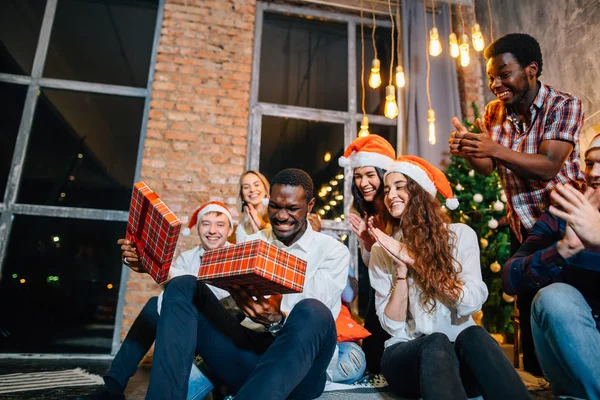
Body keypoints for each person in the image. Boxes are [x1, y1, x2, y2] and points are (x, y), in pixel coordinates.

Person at [144, 168, 349, 399]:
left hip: (301, 370)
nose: (281, 216)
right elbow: (214, 298)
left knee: (314, 311)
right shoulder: (250, 244)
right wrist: (155, 264)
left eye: (292, 208)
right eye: (275, 206)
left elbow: (310, 327)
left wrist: (277, 320)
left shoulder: (333, 251)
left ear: (310, 206)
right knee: (184, 285)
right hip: (248, 357)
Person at [449, 33, 585, 374]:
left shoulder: (563, 105)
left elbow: (549, 165)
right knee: (527, 312)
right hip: (521, 227)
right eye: (492, 76)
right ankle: (538, 380)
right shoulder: (495, 112)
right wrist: (472, 149)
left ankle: (573, 378)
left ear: (531, 70)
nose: (496, 84)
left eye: (504, 74)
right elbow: (488, 166)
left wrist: (493, 148)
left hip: (564, 225)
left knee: (562, 306)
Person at [368, 155, 530, 400]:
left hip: (462, 358)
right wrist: (402, 269)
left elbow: (471, 301)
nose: (390, 195)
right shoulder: (383, 249)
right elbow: (392, 325)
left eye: (400, 187)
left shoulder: (460, 235)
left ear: (420, 191)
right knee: (435, 341)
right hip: (407, 357)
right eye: (387, 189)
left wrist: (416, 261)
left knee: (475, 334)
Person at [77, 202, 235, 400]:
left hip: (220, 342)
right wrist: (149, 263)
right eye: (206, 223)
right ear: (197, 228)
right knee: (154, 305)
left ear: (229, 230)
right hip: (187, 335)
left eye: (220, 224)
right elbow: (173, 299)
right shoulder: (187, 258)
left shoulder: (239, 256)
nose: (212, 230)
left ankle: (223, 386)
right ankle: (113, 385)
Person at [503, 133, 600, 399]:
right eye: (590, 163)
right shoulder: (560, 216)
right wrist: (563, 250)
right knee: (554, 296)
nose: (595, 173)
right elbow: (510, 278)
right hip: (571, 359)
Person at [338, 134, 396, 373]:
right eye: (358, 176)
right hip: (381, 287)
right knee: (372, 360)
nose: (363, 183)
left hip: (408, 288)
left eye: (370, 175)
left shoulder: (399, 205)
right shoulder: (365, 211)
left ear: (384, 174)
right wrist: (366, 240)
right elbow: (373, 264)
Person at [235, 170, 271, 243]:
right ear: (242, 195)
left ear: (266, 189)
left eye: (256, 185)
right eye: (246, 187)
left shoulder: (277, 215)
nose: (252, 190)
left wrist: (263, 225)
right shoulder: (241, 229)